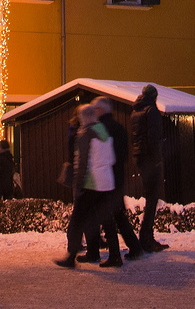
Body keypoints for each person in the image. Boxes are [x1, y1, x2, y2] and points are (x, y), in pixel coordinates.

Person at [54, 102, 117, 269]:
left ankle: (70, 257)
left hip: (90, 182)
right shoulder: (103, 129)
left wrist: (79, 182)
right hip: (107, 180)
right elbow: (111, 158)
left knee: (77, 220)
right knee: (107, 219)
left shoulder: (85, 133)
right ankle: (115, 256)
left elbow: (82, 162)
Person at [92, 99, 140, 261]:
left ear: (99, 110)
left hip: (105, 178)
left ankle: (114, 255)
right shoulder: (119, 127)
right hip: (117, 176)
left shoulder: (100, 129)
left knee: (106, 216)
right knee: (119, 215)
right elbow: (124, 154)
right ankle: (134, 246)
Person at [130, 84, 167, 252]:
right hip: (150, 159)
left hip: (140, 157)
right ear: (154, 96)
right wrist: (157, 158)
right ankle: (146, 238)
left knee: (149, 198)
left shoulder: (135, 111)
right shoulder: (151, 111)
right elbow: (154, 137)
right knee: (152, 199)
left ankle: (145, 237)